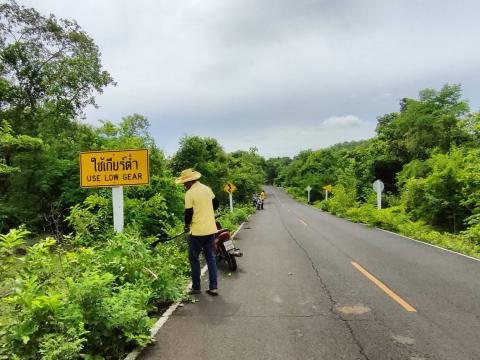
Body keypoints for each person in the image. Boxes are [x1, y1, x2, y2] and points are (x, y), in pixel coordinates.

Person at [175, 169, 219, 296]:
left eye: (184, 183)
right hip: (210, 230)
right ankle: (213, 287)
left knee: (194, 259)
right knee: (211, 258)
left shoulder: (190, 193)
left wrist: (186, 225)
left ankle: (196, 287)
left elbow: (188, 214)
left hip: (197, 232)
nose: (184, 185)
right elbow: (216, 204)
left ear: (189, 182)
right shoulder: (207, 189)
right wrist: (207, 212)